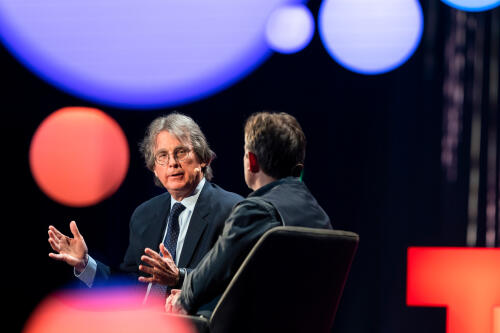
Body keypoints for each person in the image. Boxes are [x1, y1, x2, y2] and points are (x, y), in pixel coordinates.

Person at [47, 113, 243, 300]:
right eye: (162, 156)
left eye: (181, 152)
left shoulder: (231, 210)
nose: (172, 163)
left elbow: (234, 279)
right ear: (155, 170)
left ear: (203, 159)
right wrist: (85, 264)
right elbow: (131, 285)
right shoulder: (144, 214)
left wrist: (180, 277)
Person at [166, 111, 333, 315]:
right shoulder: (320, 217)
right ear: (298, 167)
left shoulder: (256, 211)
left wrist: (183, 298)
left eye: (245, 153)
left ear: (252, 161)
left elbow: (215, 271)